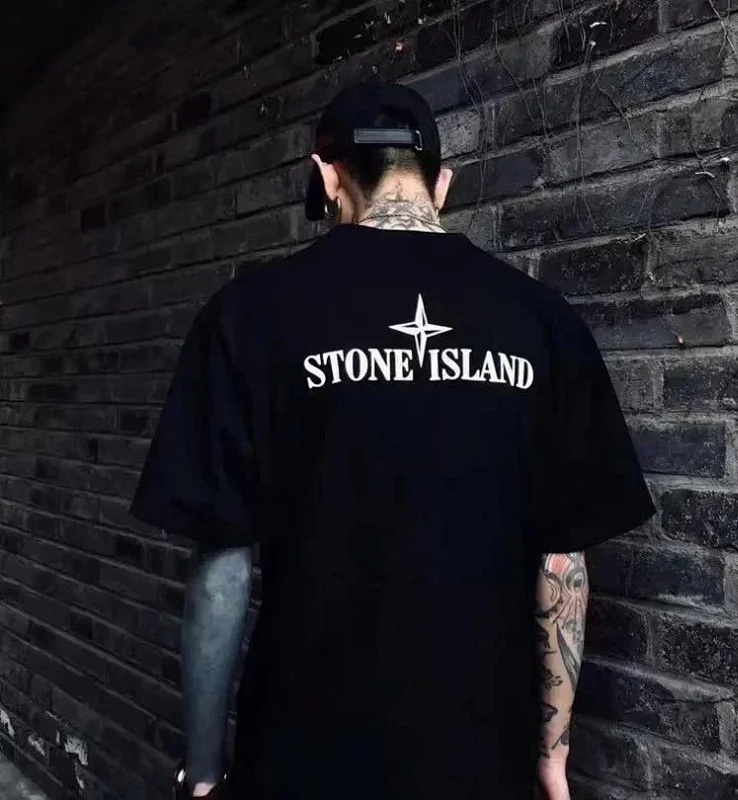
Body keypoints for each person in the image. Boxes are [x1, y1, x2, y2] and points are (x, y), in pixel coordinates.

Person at [129, 79, 655, 800]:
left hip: (301, 754)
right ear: (442, 183)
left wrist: (205, 766)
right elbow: (562, 561)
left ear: (326, 177)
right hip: (482, 756)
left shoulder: (247, 316)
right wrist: (551, 757)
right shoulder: (542, 319)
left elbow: (223, 567)